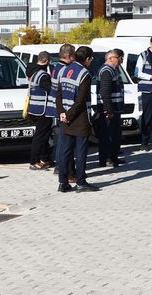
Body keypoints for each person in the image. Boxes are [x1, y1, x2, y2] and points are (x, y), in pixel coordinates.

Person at [56, 46, 99, 193]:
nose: (91, 62)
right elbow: (80, 101)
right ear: (87, 59)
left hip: (65, 118)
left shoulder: (63, 70)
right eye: (91, 59)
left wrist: (62, 113)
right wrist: (68, 115)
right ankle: (80, 182)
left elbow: (58, 94)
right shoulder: (84, 74)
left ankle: (63, 183)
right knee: (80, 152)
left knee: (65, 151)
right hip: (79, 119)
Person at [95, 49, 126, 167]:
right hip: (108, 110)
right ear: (111, 58)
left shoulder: (114, 70)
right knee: (107, 136)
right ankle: (106, 159)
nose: (121, 60)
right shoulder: (106, 71)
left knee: (116, 135)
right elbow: (105, 92)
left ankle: (114, 157)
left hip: (116, 109)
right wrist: (109, 110)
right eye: (119, 57)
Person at [50, 44, 76, 180]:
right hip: (62, 108)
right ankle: (62, 167)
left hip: (57, 107)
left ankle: (60, 166)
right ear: (69, 56)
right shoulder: (64, 69)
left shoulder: (56, 67)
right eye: (74, 55)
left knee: (61, 139)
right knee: (64, 141)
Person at [26, 51, 53, 170]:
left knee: (44, 135)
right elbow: (51, 90)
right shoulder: (43, 75)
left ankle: (45, 158)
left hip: (34, 109)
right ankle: (34, 161)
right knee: (41, 136)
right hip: (43, 110)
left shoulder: (33, 72)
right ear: (47, 61)